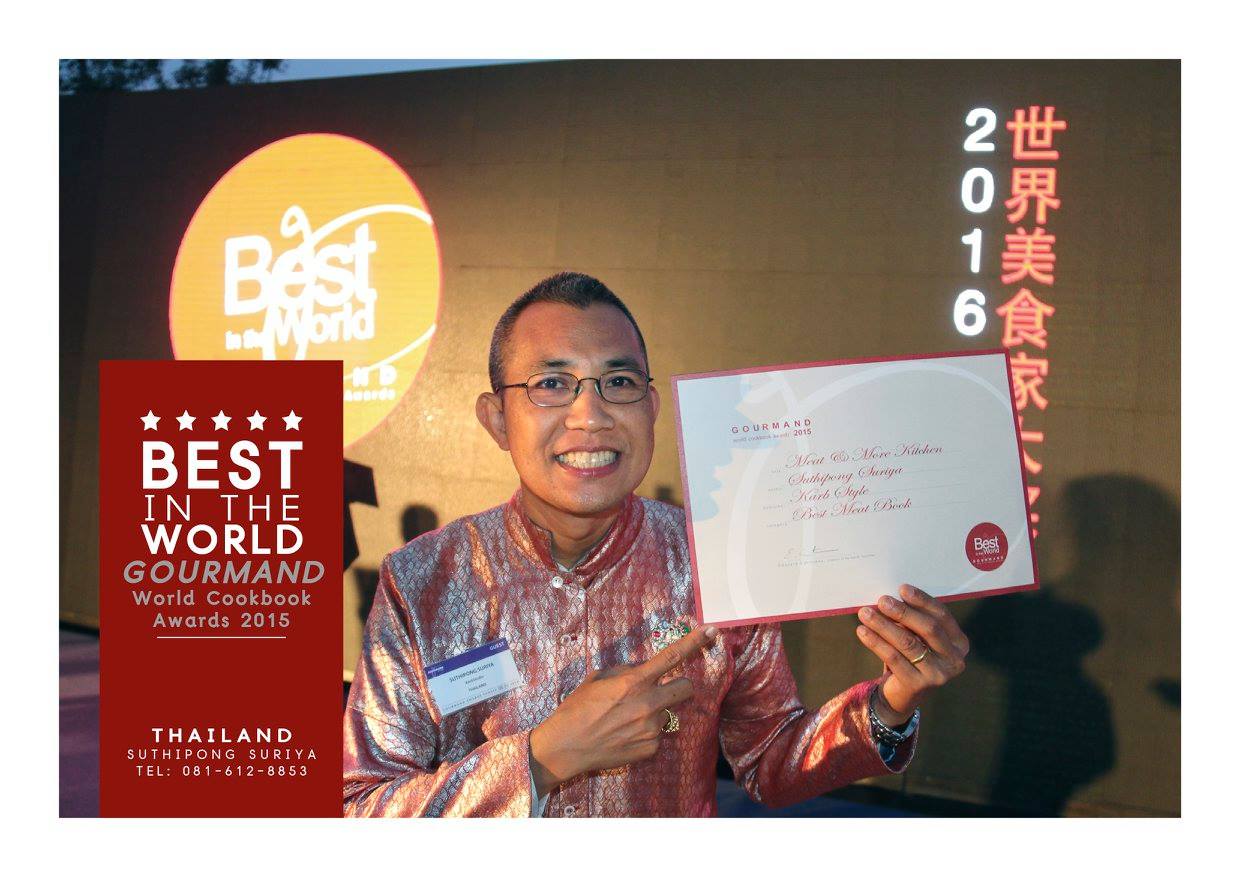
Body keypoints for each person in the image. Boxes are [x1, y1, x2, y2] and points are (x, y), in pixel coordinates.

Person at [343, 272, 970, 817]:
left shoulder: (717, 561)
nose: (590, 415)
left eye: (617, 381)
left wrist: (891, 704)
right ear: (497, 418)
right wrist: (540, 760)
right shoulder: (425, 579)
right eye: (552, 384)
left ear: (651, 408)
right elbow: (360, 808)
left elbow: (770, 759)